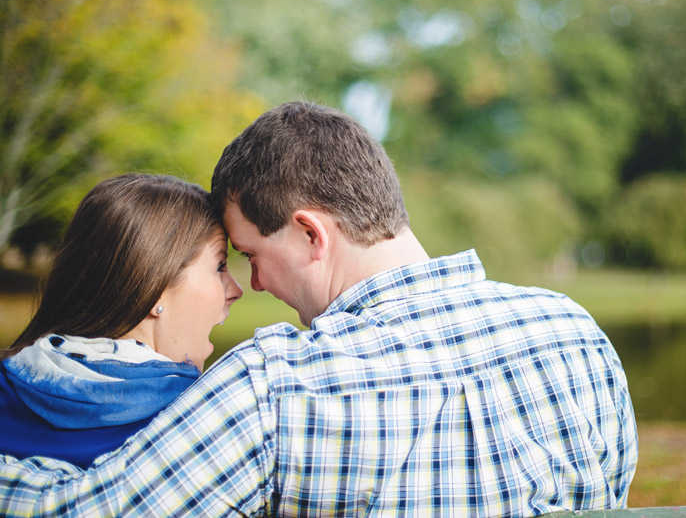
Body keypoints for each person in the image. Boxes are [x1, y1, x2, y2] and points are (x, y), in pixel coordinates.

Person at [0, 101, 637, 516]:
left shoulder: (275, 388)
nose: (250, 283)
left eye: (249, 253)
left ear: (311, 234)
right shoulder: (574, 335)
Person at [0, 173, 243, 468]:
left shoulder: (9, 384)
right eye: (219, 266)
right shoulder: (196, 428)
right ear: (154, 288)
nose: (236, 290)